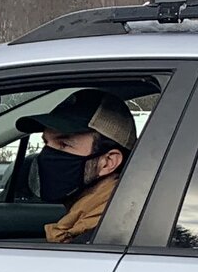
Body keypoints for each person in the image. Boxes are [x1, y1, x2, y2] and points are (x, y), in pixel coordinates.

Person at [32, 89, 139, 244]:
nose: (47, 155)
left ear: (108, 162)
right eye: (46, 143)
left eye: (64, 144)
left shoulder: (107, 237)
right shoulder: (82, 224)